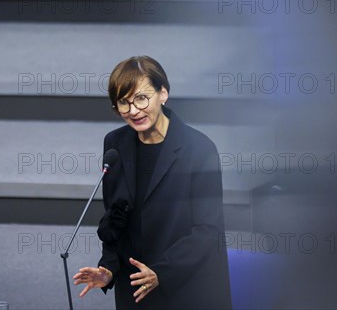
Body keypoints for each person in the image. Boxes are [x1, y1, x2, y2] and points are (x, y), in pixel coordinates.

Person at [73, 56, 232, 310]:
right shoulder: (115, 144)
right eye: (123, 103)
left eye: (141, 98)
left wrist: (161, 273)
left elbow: (207, 230)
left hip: (188, 287)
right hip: (136, 289)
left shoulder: (199, 149)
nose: (133, 111)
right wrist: (110, 269)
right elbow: (116, 218)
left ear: (163, 94)